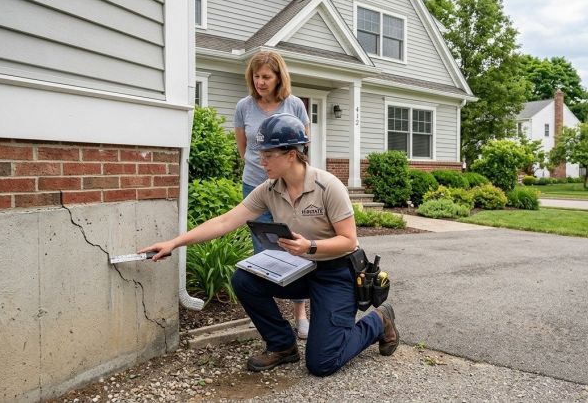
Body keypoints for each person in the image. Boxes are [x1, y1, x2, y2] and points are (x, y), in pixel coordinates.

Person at [140, 113, 399, 376]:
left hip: (337, 272)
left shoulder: (328, 186)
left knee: (323, 363)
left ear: (291, 154)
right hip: (302, 268)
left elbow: (348, 240)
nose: (260, 161)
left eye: (268, 155)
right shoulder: (269, 189)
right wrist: (175, 243)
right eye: (260, 154)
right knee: (244, 280)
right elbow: (225, 221)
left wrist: (309, 246)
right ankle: (282, 345)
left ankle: (379, 321)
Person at [235, 51, 311, 339]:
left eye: (266, 77)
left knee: (293, 246)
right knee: (262, 250)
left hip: (289, 189)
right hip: (255, 185)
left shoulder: (294, 105)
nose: (260, 82)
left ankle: (300, 313)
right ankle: (268, 315)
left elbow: (302, 148)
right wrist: (265, 168)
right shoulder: (244, 106)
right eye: (256, 76)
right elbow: (244, 149)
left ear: (279, 77)